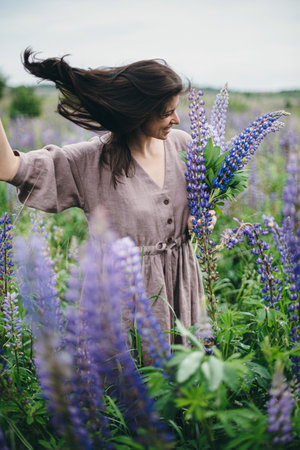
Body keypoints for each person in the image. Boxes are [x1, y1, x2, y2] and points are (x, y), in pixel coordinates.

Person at [0, 48, 215, 347]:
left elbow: (198, 207)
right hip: (122, 299)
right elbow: (8, 167)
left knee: (185, 386)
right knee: (129, 385)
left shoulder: (184, 146)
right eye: (166, 113)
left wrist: (203, 219)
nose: (177, 120)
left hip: (183, 287)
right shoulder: (89, 161)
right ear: (138, 112)